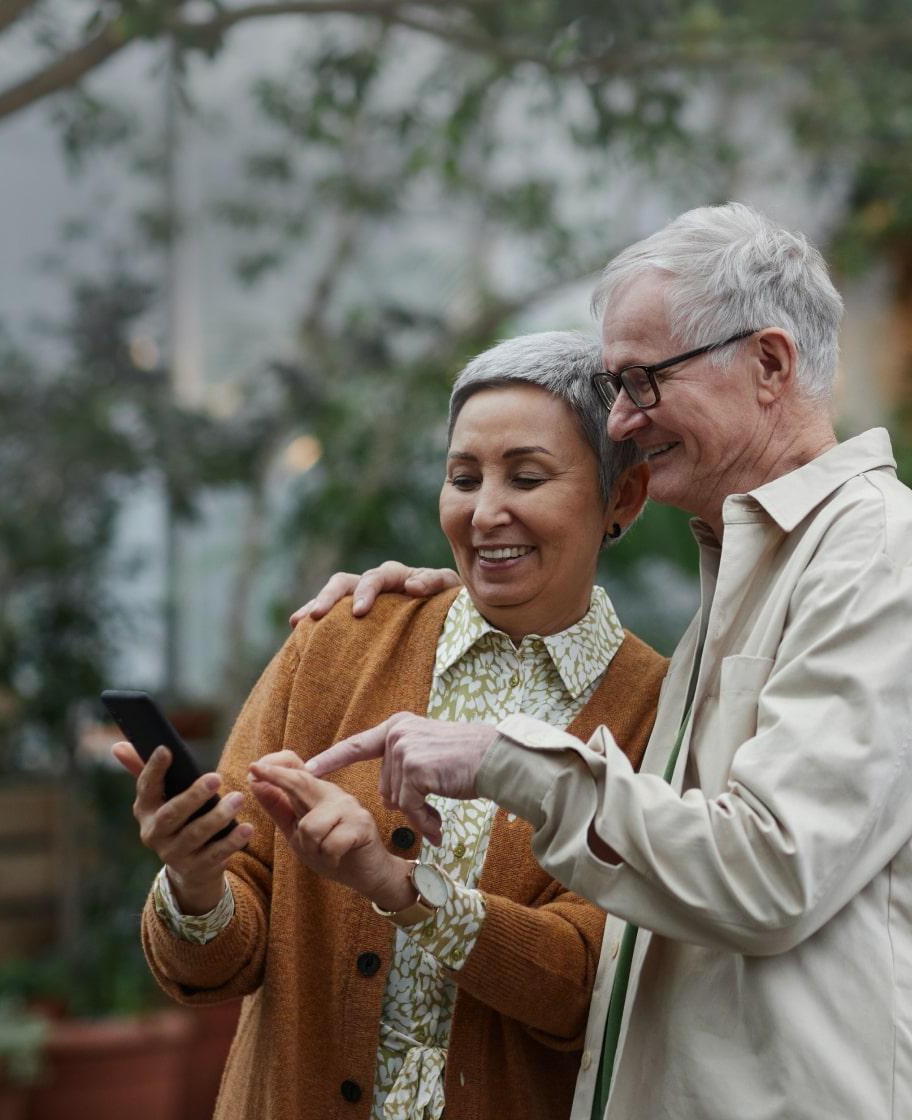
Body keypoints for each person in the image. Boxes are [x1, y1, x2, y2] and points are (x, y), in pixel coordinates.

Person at [301, 202, 912, 1120]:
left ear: (770, 364)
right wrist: (479, 586)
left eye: (641, 381)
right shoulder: (758, 562)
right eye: (464, 479)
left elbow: (770, 871)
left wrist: (499, 758)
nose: (622, 419)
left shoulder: (875, 556)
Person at [113, 331, 666, 1120]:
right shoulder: (340, 640)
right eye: (463, 477)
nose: (486, 511)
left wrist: (396, 885)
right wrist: (197, 883)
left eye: (528, 476)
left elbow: (591, 990)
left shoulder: (657, 710)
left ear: (625, 498)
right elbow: (216, 964)